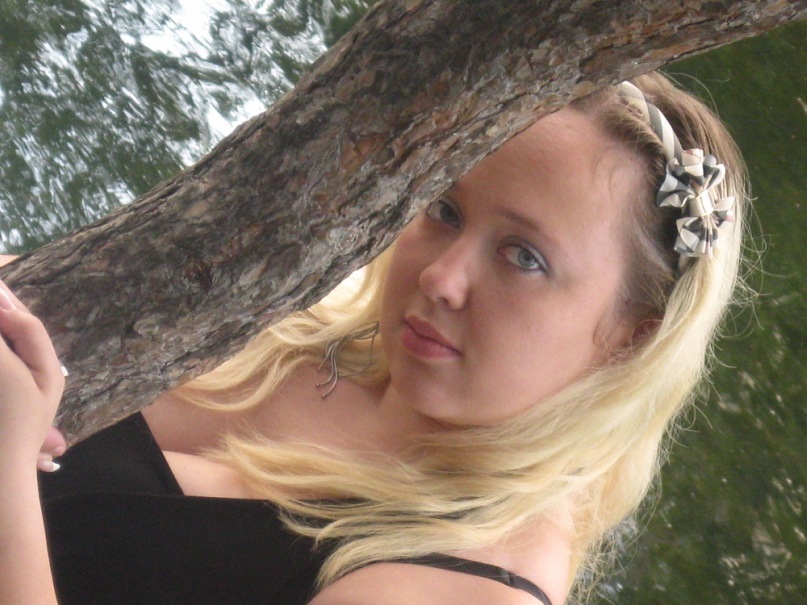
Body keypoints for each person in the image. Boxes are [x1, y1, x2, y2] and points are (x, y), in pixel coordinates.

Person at [0, 72, 746, 605]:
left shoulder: (471, 585)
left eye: (523, 258)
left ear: (629, 339)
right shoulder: (295, 324)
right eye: (446, 210)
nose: (441, 277)